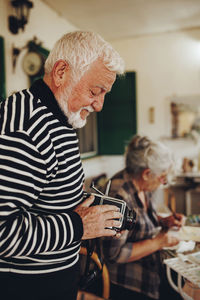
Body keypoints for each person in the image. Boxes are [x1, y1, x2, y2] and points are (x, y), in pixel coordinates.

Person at [0, 31, 124, 300]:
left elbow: (45, 197)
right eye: (95, 91)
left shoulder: (60, 119)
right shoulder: (26, 128)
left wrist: (91, 217)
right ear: (61, 73)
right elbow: (2, 232)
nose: (99, 105)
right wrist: (79, 226)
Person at [102, 135, 185, 300]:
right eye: (162, 178)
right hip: (129, 283)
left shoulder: (140, 185)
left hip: (151, 270)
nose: (162, 183)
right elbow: (114, 254)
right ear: (147, 173)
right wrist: (158, 242)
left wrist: (163, 221)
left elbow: (136, 223)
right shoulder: (119, 197)